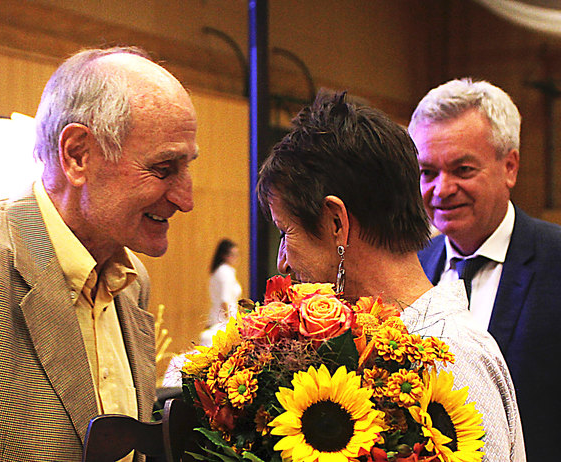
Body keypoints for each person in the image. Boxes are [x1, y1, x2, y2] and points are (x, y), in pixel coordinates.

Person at [0, 46, 198, 460]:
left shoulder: (131, 281)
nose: (186, 198)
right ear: (77, 154)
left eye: (188, 166)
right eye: (164, 169)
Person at [256, 90, 525, 461]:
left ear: (337, 223)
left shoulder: (449, 359)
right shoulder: (386, 340)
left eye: (286, 232)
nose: (282, 262)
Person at [408, 78, 561, 461]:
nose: (441, 189)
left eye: (462, 169)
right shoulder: (412, 266)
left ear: (509, 167)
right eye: (427, 172)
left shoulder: (555, 260)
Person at [200, 239, 242, 346]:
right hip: (223, 322)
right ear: (224, 256)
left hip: (217, 319)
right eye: (233, 255)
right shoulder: (225, 272)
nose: (236, 258)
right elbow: (225, 301)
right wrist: (231, 324)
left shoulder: (219, 271)